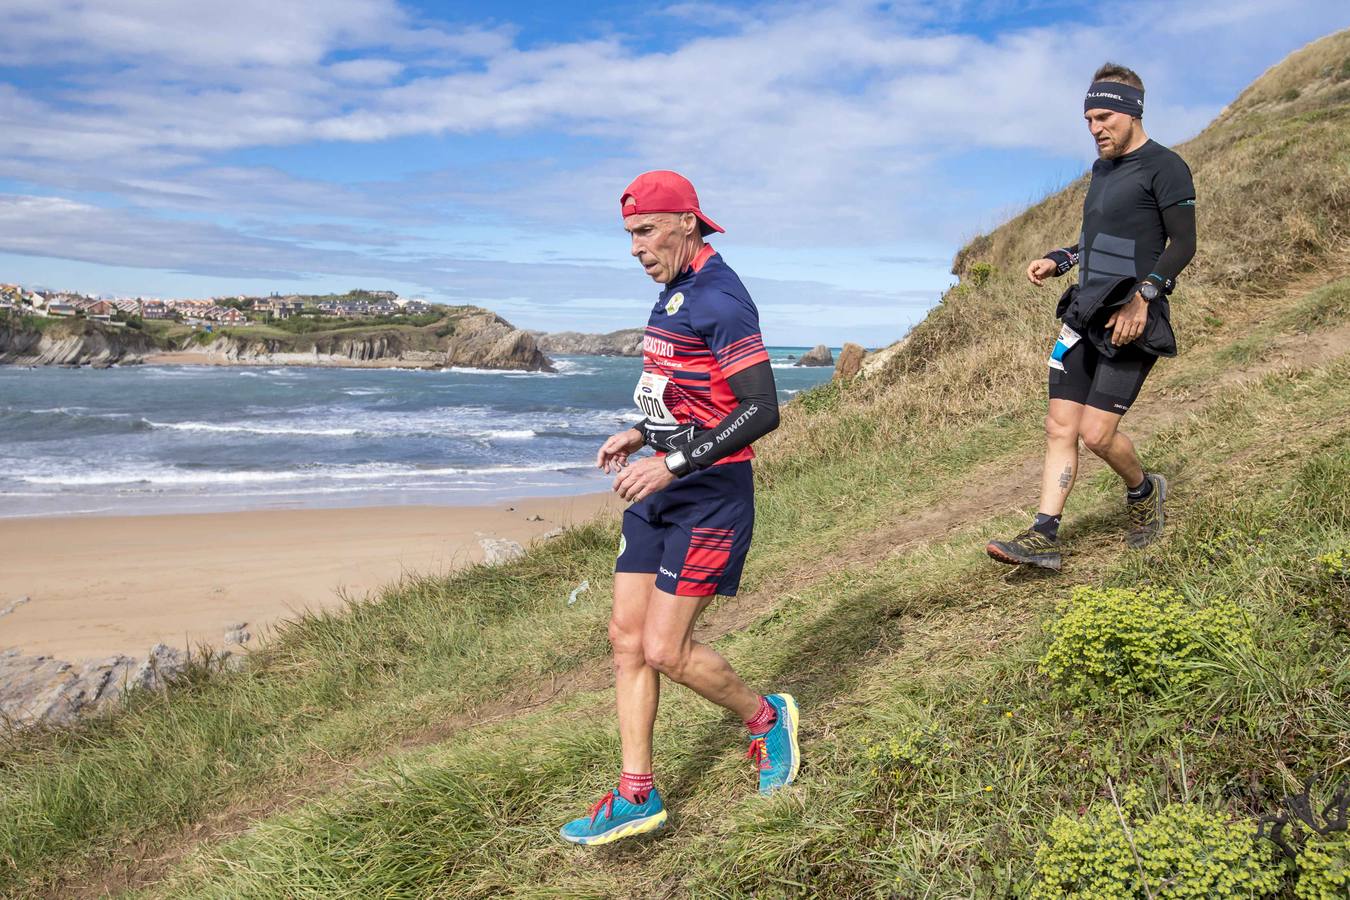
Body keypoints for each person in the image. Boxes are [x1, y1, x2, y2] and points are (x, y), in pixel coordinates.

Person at [559, 170, 800, 846]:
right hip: (659, 485)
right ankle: (637, 793)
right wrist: (640, 433)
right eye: (629, 235)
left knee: (666, 648)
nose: (635, 247)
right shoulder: (674, 293)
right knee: (625, 639)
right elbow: (689, 391)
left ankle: (765, 718)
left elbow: (761, 410)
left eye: (644, 231)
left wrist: (670, 463)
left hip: (708, 496)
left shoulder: (720, 297)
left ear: (686, 223)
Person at [986, 63, 1197, 571]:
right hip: (1083, 313)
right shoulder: (1101, 171)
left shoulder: (1165, 166)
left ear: (1130, 112)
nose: (1094, 128)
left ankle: (1144, 491)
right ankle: (1044, 536)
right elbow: (1097, 238)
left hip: (1130, 317)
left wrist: (1144, 297)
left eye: (1103, 117)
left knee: (1097, 434)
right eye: (1088, 120)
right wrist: (1062, 258)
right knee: (1060, 426)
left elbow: (1183, 243)